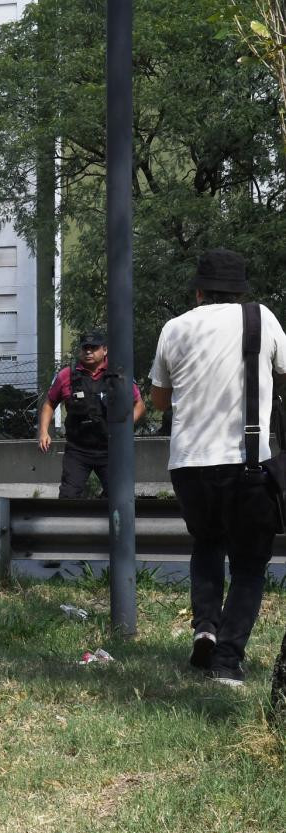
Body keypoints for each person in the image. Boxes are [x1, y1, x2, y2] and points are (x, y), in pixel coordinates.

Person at [150, 248, 286, 687]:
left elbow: (158, 400)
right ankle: (227, 661)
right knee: (248, 564)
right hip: (247, 464)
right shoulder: (261, 319)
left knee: (206, 544)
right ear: (243, 289)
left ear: (199, 291)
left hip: (189, 464)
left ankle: (205, 627)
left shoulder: (175, 327)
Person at [37, 329, 146, 497]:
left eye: (93, 348)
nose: (88, 351)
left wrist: (126, 426)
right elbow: (49, 403)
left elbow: (139, 404)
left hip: (111, 449)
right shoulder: (67, 376)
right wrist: (44, 431)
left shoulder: (118, 374)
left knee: (119, 497)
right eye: (85, 347)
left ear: (105, 350)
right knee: (68, 496)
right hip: (78, 450)